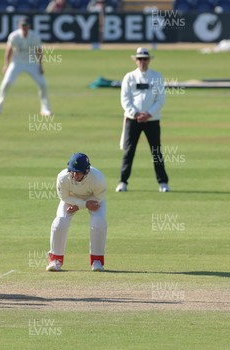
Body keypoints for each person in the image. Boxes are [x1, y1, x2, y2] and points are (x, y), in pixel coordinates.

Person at [117, 47, 170, 193]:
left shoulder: (157, 76)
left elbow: (160, 99)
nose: (142, 62)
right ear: (135, 60)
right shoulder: (129, 77)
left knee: (156, 151)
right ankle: (123, 181)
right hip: (132, 120)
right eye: (139, 59)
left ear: (149, 60)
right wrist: (135, 114)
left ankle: (163, 182)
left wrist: (148, 114)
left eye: (145, 59)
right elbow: (125, 99)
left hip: (152, 120)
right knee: (129, 151)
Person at [47, 153, 107, 272]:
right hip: (71, 199)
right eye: (73, 171)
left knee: (98, 222)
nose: (75, 175)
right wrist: (81, 204)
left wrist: (80, 206)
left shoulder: (98, 178)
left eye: (79, 172)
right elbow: (64, 197)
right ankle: (55, 260)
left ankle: (97, 260)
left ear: (87, 170)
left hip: (93, 198)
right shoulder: (62, 177)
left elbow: (99, 198)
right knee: (60, 222)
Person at [0, 17, 52, 117]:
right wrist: (6, 65)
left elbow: (39, 51)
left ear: (29, 26)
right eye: (22, 25)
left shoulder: (35, 36)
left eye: (26, 25)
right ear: (19, 26)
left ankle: (45, 109)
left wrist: (41, 66)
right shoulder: (14, 36)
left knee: (42, 84)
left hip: (31, 62)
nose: (24, 27)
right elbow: (9, 51)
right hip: (17, 63)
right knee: (6, 83)